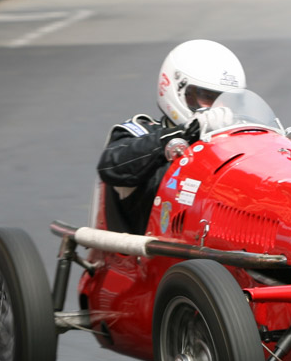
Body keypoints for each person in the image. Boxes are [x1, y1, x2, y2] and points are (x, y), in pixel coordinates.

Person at [97, 39, 246, 234]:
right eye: (209, 97)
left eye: (227, 100)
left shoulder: (239, 144)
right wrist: (185, 133)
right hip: (147, 256)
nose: (220, 108)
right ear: (177, 88)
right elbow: (111, 165)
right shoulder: (139, 133)